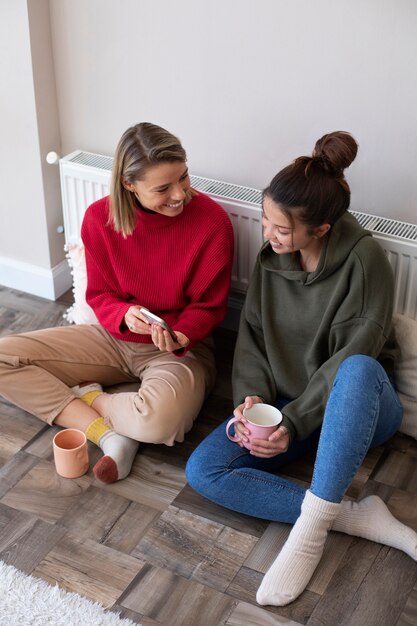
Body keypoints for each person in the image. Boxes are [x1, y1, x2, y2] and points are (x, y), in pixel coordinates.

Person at [186, 131, 417, 607]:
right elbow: (250, 336)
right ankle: (354, 516)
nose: (267, 235)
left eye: (280, 228)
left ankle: (309, 535)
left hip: (359, 406)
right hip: (293, 409)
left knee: (356, 367)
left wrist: (293, 424)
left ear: (322, 230)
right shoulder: (273, 258)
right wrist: (252, 403)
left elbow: (359, 349)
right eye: (266, 221)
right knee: (204, 470)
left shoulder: (365, 261)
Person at [0, 122, 234, 485]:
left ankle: (92, 397)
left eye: (183, 178)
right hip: (111, 338)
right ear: (129, 184)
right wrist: (124, 314)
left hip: (176, 350)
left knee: (160, 423)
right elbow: (100, 296)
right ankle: (107, 434)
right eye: (162, 188)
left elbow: (210, 306)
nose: (180, 194)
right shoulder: (99, 219)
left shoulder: (212, 222)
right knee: (3, 357)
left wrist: (182, 335)